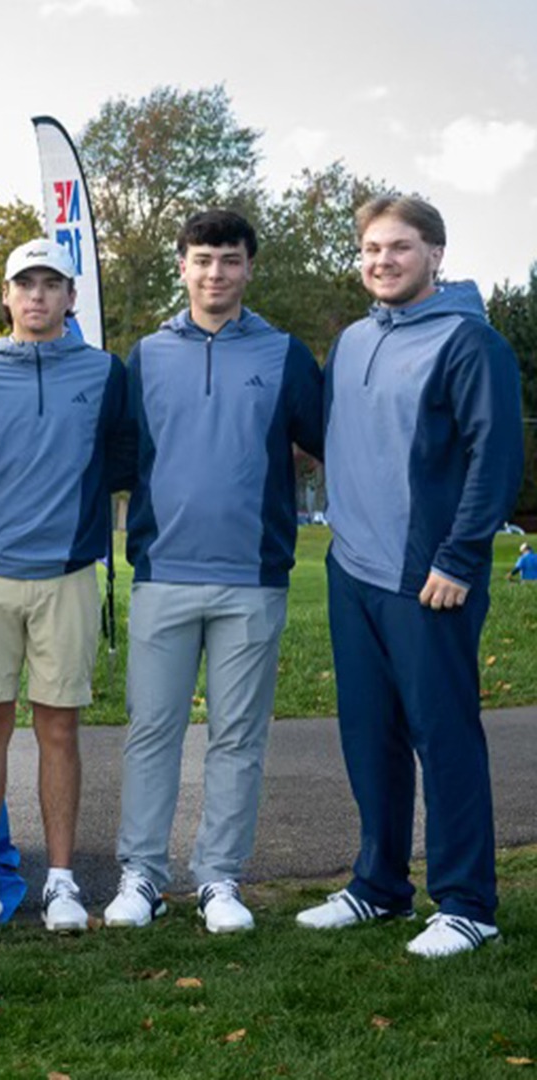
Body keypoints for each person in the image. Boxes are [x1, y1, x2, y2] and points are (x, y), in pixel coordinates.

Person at [300, 195, 523, 958]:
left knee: (444, 734)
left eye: (399, 247)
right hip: (352, 569)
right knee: (370, 735)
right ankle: (379, 886)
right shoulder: (353, 340)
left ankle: (467, 902)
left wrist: (460, 557)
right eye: (370, 249)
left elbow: (494, 458)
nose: (382, 261)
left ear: (435, 254)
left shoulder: (470, 342)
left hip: (429, 575)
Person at [103, 210, 324, 935]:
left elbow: (335, 446)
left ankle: (220, 879)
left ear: (249, 268)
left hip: (252, 578)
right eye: (203, 260)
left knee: (237, 738)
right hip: (163, 573)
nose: (215, 274)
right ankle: (140, 873)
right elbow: (123, 456)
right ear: (182, 266)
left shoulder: (286, 355)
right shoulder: (147, 355)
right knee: (152, 731)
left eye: (230, 261)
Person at [0, 238, 133, 935]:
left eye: (50, 284)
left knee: (60, 727)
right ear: (6, 295)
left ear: (70, 297)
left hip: (68, 576)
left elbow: (122, 458)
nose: (36, 296)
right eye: (24, 284)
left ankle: (60, 881)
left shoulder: (104, 372)